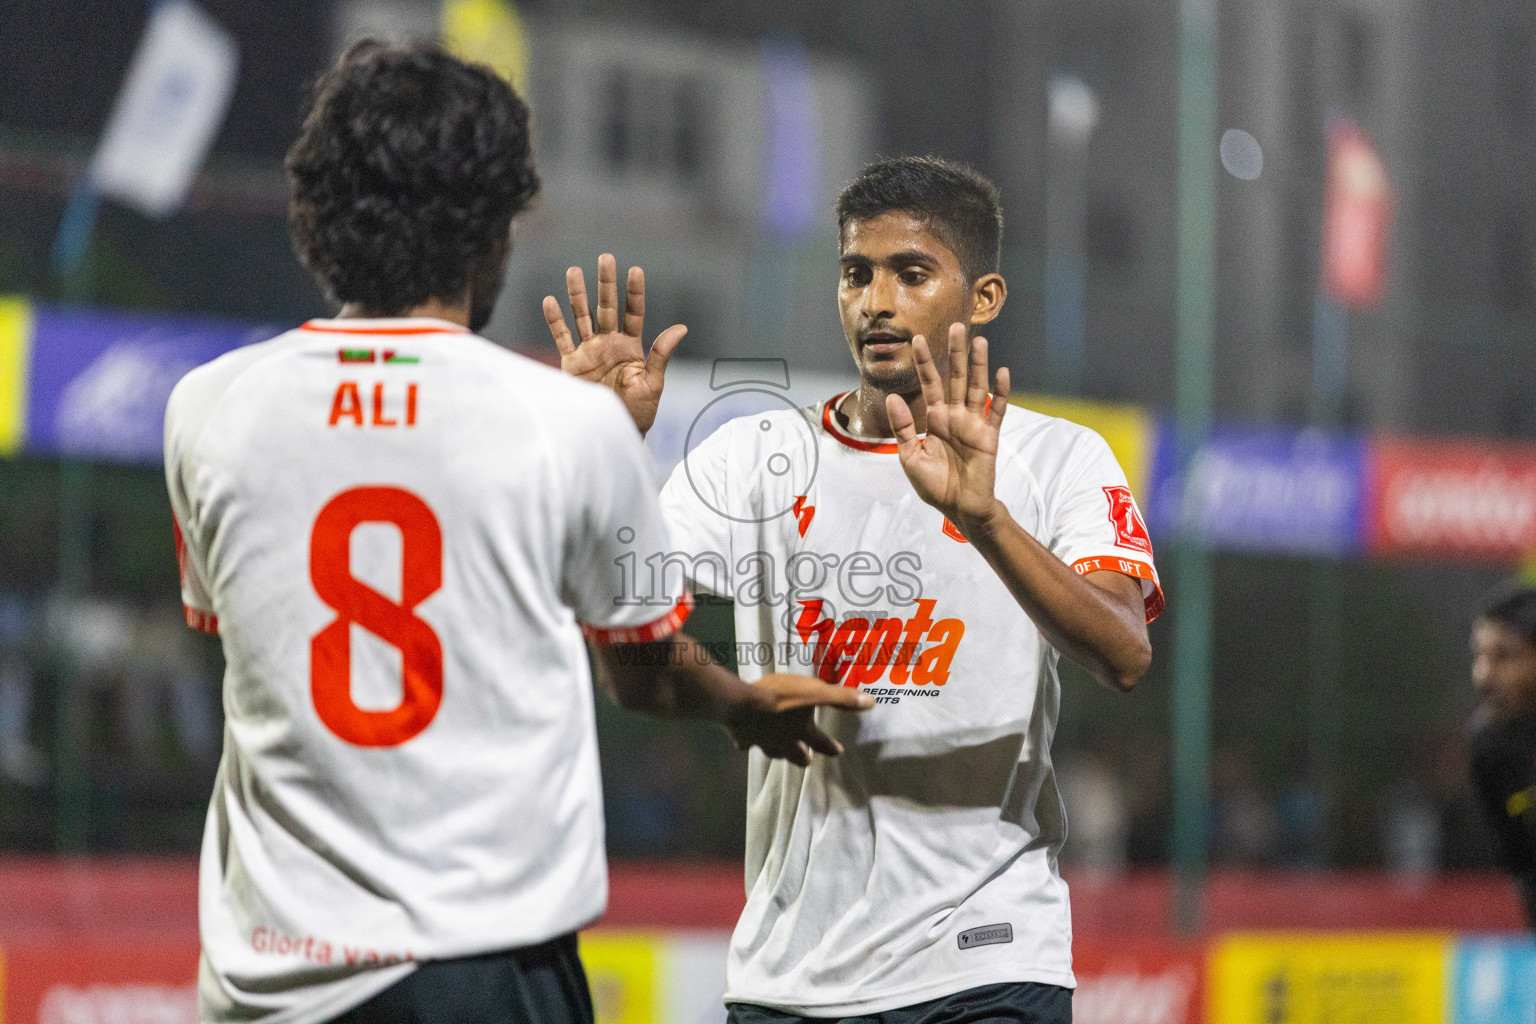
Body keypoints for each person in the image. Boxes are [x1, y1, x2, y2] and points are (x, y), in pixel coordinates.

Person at [165, 41, 869, 1024]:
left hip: (271, 977)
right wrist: (742, 700)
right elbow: (651, 662)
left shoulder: (207, 407)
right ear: (493, 228)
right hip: (481, 968)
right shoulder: (567, 426)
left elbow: (250, 640)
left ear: (316, 213)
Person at [547, 156, 1160, 1024]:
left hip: (987, 961)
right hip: (793, 976)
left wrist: (987, 521)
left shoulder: (1056, 457)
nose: (876, 301)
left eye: (912, 273)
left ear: (983, 298)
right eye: (855, 273)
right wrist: (606, 460)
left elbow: (1124, 650)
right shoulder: (748, 459)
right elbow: (635, 647)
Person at [1467, 585, 1536, 927]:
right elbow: (1518, 861)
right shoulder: (1490, 747)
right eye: (1478, 656)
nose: (1482, 676)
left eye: (1504, 656)